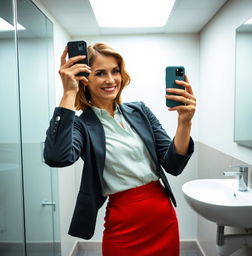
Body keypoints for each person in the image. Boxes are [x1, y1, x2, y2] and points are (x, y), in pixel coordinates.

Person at [44, 42, 196, 256]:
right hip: (122, 222)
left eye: (115, 71)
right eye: (100, 73)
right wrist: (69, 92)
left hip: (162, 217)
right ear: (84, 79)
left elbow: (173, 164)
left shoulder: (140, 111)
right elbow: (56, 157)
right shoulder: (81, 124)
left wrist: (185, 123)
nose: (110, 79)